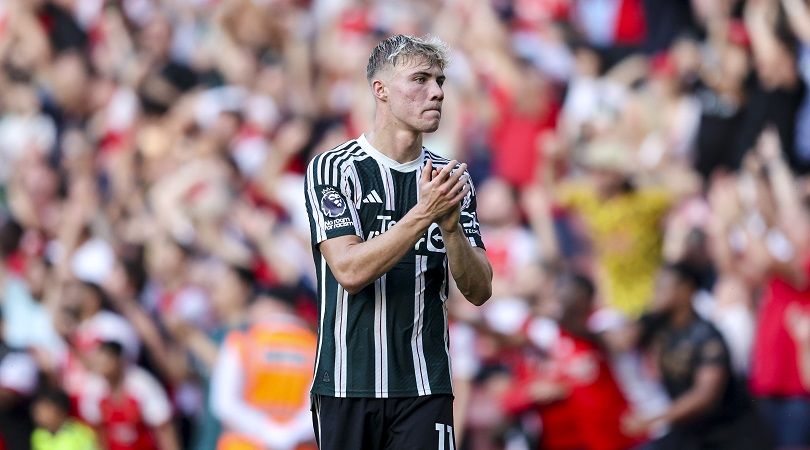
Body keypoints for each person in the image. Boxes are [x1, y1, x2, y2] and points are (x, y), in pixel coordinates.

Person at [303, 34, 493, 450]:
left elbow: (479, 291)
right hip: (346, 383)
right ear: (381, 90)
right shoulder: (334, 169)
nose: (437, 92)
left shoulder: (450, 179)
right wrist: (424, 215)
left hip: (425, 384)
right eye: (421, 79)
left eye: (441, 81)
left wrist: (451, 228)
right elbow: (350, 271)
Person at [622, 263, 771, 450]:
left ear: (686, 290)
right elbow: (623, 340)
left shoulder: (707, 335)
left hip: (725, 436)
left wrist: (655, 418)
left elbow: (705, 395)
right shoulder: (658, 325)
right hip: (689, 434)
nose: (656, 293)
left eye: (662, 287)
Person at [502, 273, 640, 450]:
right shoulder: (554, 334)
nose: (561, 298)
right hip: (578, 438)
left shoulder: (603, 321)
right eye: (559, 292)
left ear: (585, 297)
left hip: (622, 434)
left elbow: (619, 342)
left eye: (567, 292)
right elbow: (511, 342)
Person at [211, 287, 316, 450]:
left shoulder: (241, 342)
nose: (251, 311)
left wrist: (267, 431)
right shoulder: (315, 347)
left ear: (273, 304)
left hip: (245, 444)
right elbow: (319, 407)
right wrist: (289, 434)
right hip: (299, 445)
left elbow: (224, 404)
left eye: (255, 303)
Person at [79, 341, 180, 450]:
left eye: (105, 361)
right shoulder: (93, 388)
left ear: (118, 360)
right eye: (98, 362)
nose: (101, 366)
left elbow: (164, 428)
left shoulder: (142, 383)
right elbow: (98, 431)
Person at [30, 387, 99, 450]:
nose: (39, 415)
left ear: (60, 410)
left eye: (45, 410)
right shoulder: (38, 436)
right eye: (37, 411)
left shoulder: (81, 433)